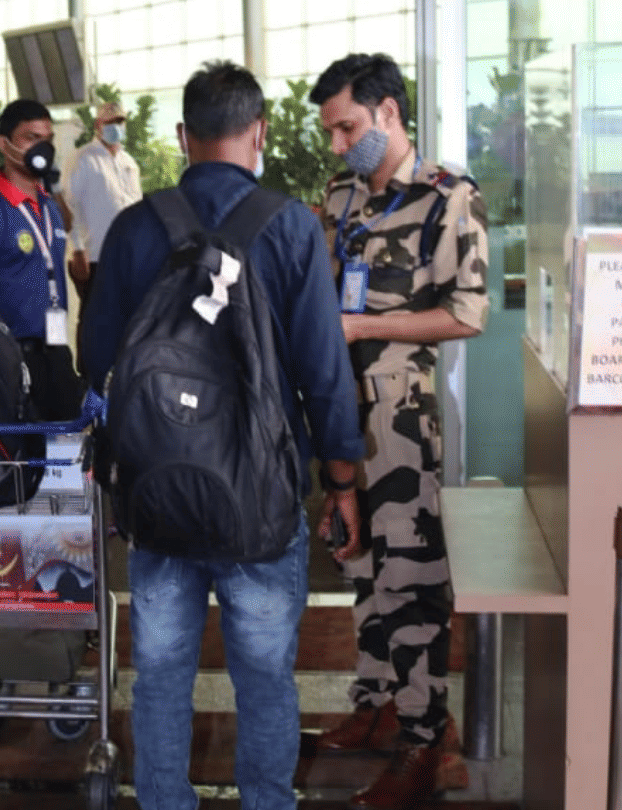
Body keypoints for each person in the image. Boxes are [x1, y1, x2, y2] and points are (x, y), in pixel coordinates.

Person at [80, 60, 365, 810]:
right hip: (262, 499)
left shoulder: (136, 228)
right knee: (265, 677)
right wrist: (341, 481)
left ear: (183, 135)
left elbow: (95, 357)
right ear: (259, 132)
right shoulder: (292, 227)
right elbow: (324, 372)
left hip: (157, 494)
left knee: (160, 673)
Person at [309, 52, 489, 809]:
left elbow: (467, 314)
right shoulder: (341, 196)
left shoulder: (448, 197)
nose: (338, 144)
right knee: (358, 562)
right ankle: (376, 703)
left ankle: (423, 740)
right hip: (341, 407)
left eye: (348, 127)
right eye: (331, 132)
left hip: (400, 416)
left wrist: (362, 326)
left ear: (388, 112)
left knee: (410, 579)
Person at [0, 98, 84, 421]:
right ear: (4, 144)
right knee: (24, 449)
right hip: (12, 358)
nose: (43, 148)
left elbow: (64, 240)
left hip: (57, 351)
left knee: (66, 445)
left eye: (48, 139)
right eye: (31, 138)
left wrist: (56, 187)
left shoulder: (50, 207)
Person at [64, 100, 142, 369]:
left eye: (120, 122)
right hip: (93, 255)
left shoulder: (129, 162)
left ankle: (118, 375)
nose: (117, 127)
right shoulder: (82, 158)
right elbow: (69, 205)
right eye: (111, 122)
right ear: (98, 125)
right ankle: (88, 378)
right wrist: (77, 249)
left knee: (125, 318)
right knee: (93, 319)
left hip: (126, 256)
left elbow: (135, 206)